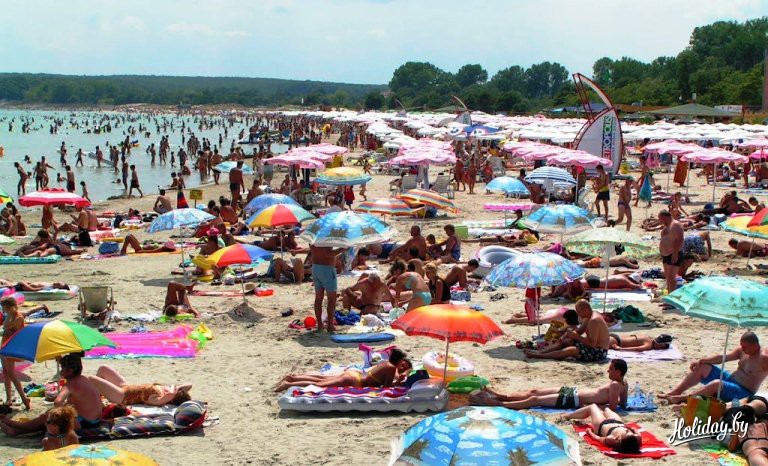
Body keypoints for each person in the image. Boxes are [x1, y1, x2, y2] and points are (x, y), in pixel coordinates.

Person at [0, 353, 103, 436]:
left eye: (62, 369)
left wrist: (59, 417)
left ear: (69, 370)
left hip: (84, 422)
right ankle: (16, 431)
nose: (61, 372)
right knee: (49, 416)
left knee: (48, 417)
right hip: (95, 420)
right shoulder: (84, 379)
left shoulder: (71, 384)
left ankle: (15, 424)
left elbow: (57, 402)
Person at [470, 358, 629, 411]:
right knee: (534, 392)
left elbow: (613, 407)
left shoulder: (615, 385)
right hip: (573, 392)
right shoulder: (623, 383)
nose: (607, 371)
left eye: (610, 369)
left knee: (534, 400)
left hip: (573, 399)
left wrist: (590, 405)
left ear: (618, 372)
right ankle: (501, 396)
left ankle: (499, 404)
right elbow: (623, 403)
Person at [660, 331, 768, 404]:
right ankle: (676, 392)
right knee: (702, 367)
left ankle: (684, 399)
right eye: (741, 345)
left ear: (755, 345)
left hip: (743, 392)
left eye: (745, 347)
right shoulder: (742, 351)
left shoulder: (763, 358)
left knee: (717, 383)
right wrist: (703, 360)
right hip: (730, 380)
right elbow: (723, 358)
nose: (742, 348)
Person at [273, 348, 412, 392]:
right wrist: (398, 382)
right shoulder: (391, 368)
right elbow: (386, 387)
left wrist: (401, 376)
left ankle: (293, 378)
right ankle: (288, 384)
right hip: (355, 380)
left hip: (354, 374)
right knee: (319, 384)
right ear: (399, 360)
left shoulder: (386, 363)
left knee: (322, 378)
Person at [524, 300, 610, 362]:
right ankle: (541, 352)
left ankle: (541, 356)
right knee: (566, 341)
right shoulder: (589, 316)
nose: (578, 315)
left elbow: (592, 343)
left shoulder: (594, 320)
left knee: (571, 350)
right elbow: (580, 331)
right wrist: (566, 335)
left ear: (585, 309)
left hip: (599, 352)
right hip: (592, 347)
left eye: (579, 312)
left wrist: (575, 336)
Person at [87, 365, 192, 407]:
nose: (172, 388)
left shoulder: (160, 400)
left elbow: (168, 396)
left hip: (122, 396)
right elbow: (189, 385)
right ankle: (97, 396)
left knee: (91, 379)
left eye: (176, 391)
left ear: (173, 397)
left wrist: (172, 392)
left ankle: (93, 401)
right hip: (126, 387)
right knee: (103, 368)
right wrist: (176, 388)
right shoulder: (166, 391)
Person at [565, 404, 642, 454]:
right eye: (631, 433)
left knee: (592, 407)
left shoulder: (611, 439)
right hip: (618, 422)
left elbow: (598, 438)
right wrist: (634, 431)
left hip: (602, 425)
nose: (627, 430)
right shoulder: (637, 438)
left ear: (620, 439)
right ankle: (593, 409)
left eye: (626, 432)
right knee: (606, 408)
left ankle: (568, 416)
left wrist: (590, 433)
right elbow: (634, 429)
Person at [1, 297, 31, 410]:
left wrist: (9, 315)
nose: (4, 311)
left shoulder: (18, 317)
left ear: (11, 307)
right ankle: (9, 398)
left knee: (11, 373)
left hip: (12, 347)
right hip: (4, 345)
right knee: (5, 372)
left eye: (5, 308)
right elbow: (5, 326)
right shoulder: (10, 316)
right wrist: (8, 315)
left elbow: (6, 326)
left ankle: (24, 398)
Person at [310, 244, 346, 332]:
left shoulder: (314, 238)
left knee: (318, 298)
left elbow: (315, 250)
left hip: (315, 267)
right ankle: (330, 325)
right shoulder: (325, 238)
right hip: (327, 269)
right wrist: (342, 249)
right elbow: (328, 253)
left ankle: (320, 325)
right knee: (332, 299)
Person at [658, 209, 684, 293]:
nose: (660, 221)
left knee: (671, 277)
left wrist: (675, 254)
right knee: (668, 277)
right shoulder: (667, 226)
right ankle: (669, 295)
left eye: (660, 219)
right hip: (666, 255)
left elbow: (679, 239)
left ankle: (672, 297)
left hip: (673, 254)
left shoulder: (675, 225)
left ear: (664, 217)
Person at [609, 334, 674, 352]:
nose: (661, 348)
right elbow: (637, 349)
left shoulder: (648, 337)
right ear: (662, 345)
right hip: (616, 341)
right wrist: (620, 348)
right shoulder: (649, 345)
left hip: (616, 336)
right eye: (663, 347)